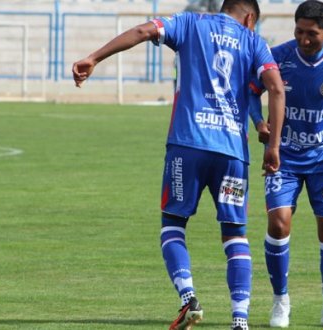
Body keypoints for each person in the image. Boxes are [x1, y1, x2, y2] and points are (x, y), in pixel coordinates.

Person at [71, 1, 286, 329]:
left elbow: (144, 31)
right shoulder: (254, 42)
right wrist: (272, 145)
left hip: (188, 145)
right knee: (234, 235)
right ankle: (240, 320)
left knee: (173, 224)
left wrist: (94, 57)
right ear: (250, 17)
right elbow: (276, 89)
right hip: (232, 154)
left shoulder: (189, 23)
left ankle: (189, 298)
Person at [248, 1, 323, 328]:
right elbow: (251, 91)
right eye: (299, 31)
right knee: (278, 223)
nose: (304, 39)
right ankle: (280, 301)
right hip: (283, 158)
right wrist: (258, 121)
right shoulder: (278, 57)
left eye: (312, 33)